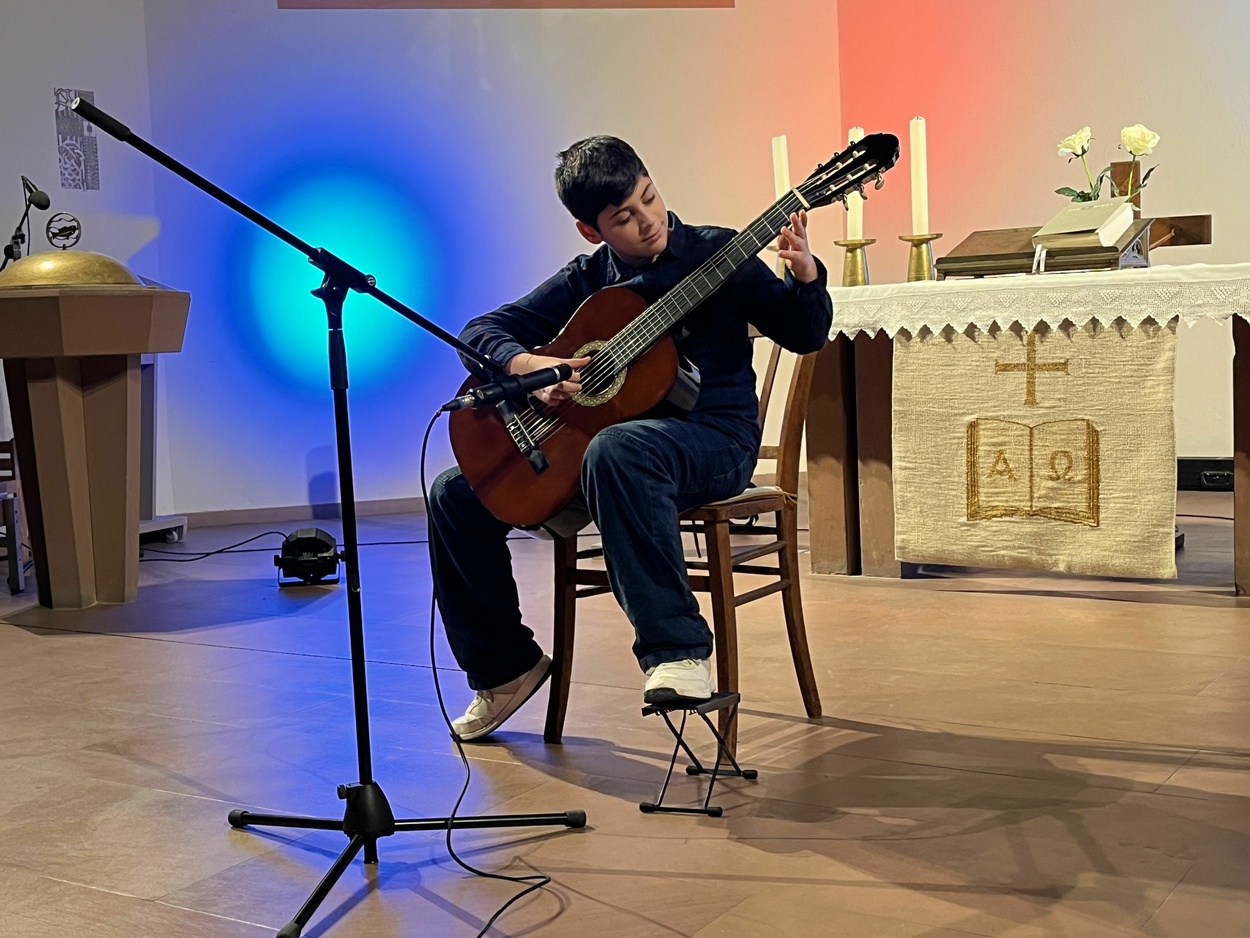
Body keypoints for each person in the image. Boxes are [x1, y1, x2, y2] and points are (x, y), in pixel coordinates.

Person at [428, 135, 832, 740]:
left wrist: (805, 277)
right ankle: (504, 669)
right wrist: (531, 369)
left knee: (617, 448)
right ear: (591, 231)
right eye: (624, 217)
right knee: (453, 495)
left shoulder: (718, 252)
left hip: (714, 440)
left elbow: (806, 335)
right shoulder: (588, 280)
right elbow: (480, 332)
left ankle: (677, 652)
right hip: (611, 457)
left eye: (650, 197)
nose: (648, 221)